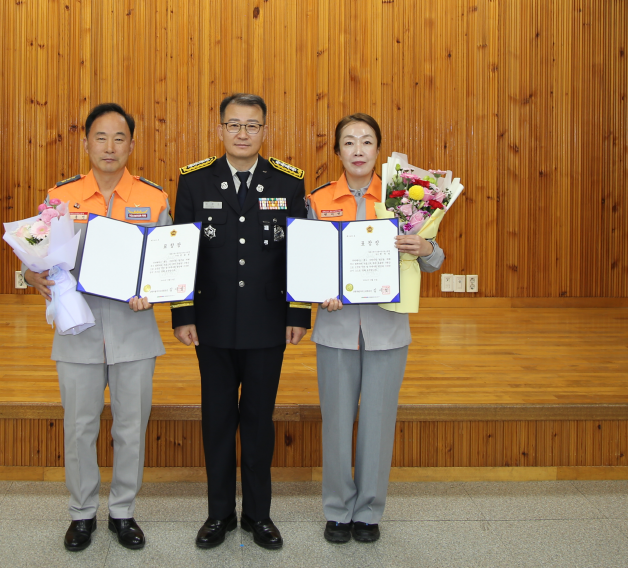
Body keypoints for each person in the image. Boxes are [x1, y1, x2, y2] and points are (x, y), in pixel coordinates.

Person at [24, 103, 171, 553]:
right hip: (78, 329)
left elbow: (166, 263)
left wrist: (155, 290)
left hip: (134, 329)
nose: (110, 147)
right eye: (101, 137)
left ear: (132, 144)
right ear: (85, 141)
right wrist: (30, 274)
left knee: (131, 427)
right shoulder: (59, 197)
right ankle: (82, 513)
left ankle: (123, 511)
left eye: (119, 138)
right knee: (80, 426)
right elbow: (34, 254)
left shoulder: (153, 198)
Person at [171, 93, 311, 550]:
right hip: (210, 324)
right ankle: (218, 514)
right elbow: (182, 252)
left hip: (267, 323)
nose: (243, 133)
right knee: (217, 421)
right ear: (220, 130)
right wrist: (182, 313)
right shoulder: (195, 180)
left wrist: (298, 312)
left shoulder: (288, 182)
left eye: (252, 125)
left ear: (264, 131)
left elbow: (299, 254)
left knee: (257, 421)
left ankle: (258, 514)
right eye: (234, 125)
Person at [305, 113, 445, 545]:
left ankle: (368, 511)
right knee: (336, 422)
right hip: (336, 327)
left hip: (387, 328)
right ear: (337, 151)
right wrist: (318, 291)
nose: (358, 150)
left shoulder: (405, 197)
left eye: (367, 141)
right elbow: (307, 261)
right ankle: (337, 510)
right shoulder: (318, 200)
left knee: (379, 422)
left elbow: (435, 260)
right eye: (349, 142)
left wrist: (425, 246)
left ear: (379, 151)